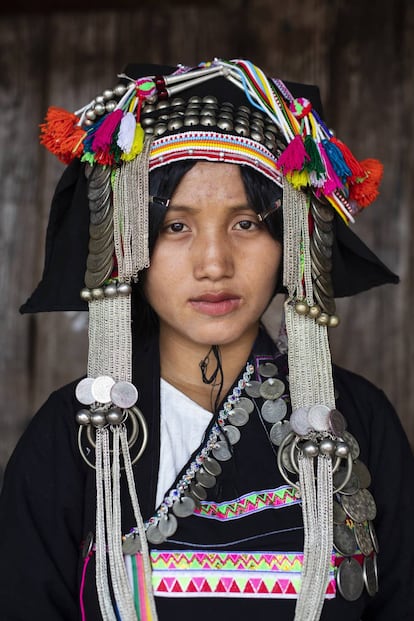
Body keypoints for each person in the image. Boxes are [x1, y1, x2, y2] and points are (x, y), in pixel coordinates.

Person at [0, 58, 413, 621]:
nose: (214, 264)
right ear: (129, 245)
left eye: (247, 224)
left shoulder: (358, 422)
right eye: (176, 226)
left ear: (292, 241)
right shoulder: (70, 439)